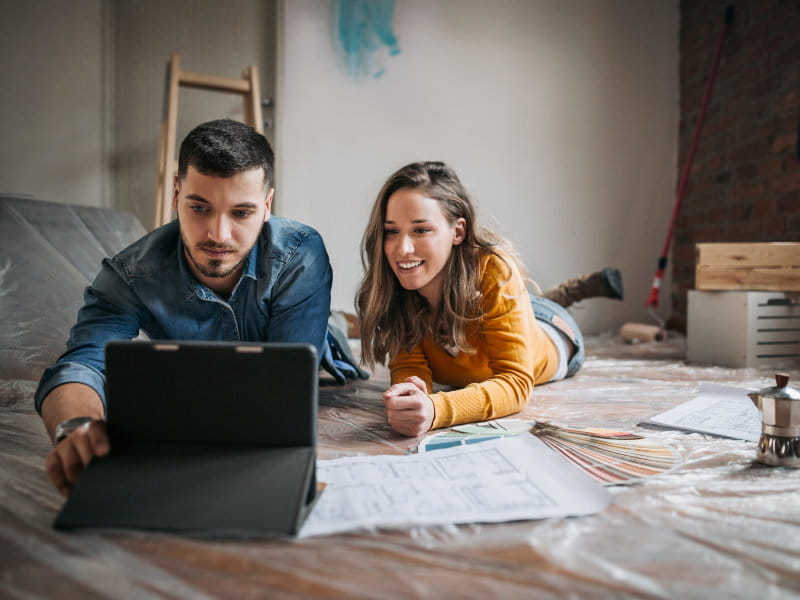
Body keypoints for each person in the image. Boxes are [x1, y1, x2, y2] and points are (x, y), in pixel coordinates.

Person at [36, 119, 333, 495]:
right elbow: (81, 363)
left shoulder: (300, 254)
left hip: (308, 337)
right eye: (199, 207)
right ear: (176, 195)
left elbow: (285, 391)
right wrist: (74, 427)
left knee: (329, 338)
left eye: (242, 213)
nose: (219, 235)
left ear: (267, 205)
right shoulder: (130, 274)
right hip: (200, 356)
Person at [356, 161, 622, 437]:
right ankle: (546, 294)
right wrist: (412, 395)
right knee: (522, 299)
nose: (403, 248)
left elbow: (516, 384)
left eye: (421, 230)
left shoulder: (495, 270)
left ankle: (576, 289)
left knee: (539, 302)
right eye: (392, 231)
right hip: (491, 304)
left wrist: (436, 409)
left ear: (457, 232)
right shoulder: (398, 287)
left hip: (553, 329)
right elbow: (409, 365)